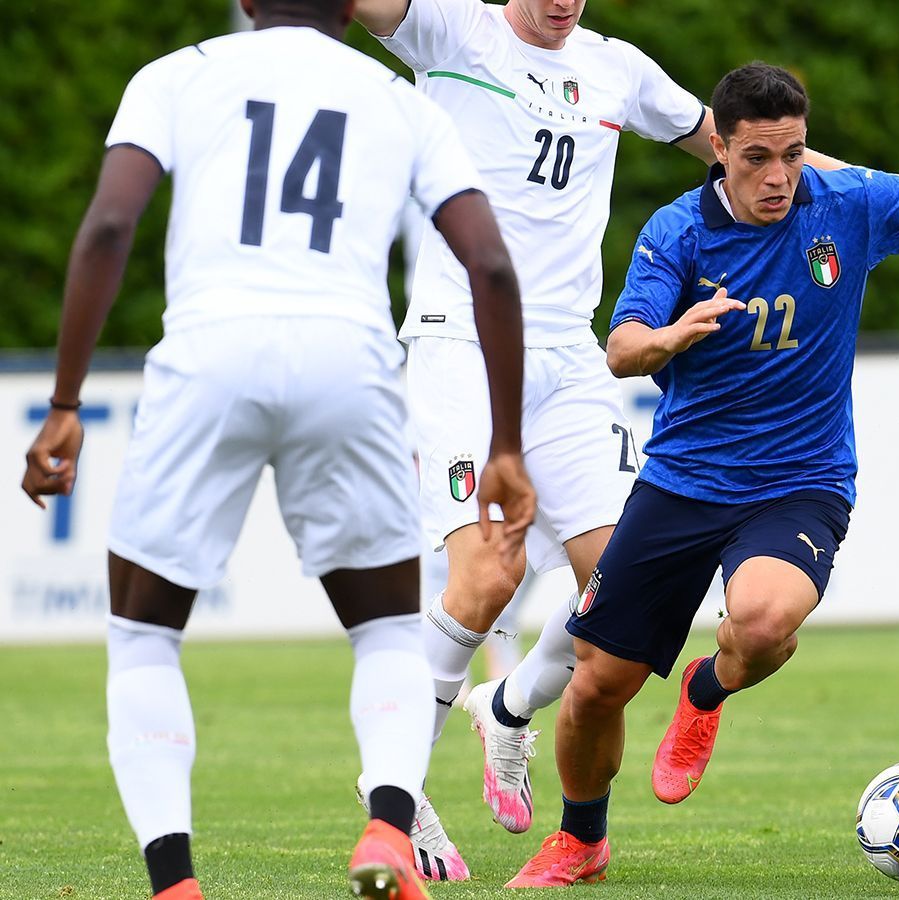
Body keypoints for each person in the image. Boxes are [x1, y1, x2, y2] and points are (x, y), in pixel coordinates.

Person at [501, 61, 899, 888]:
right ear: (719, 151)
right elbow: (622, 346)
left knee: (766, 622)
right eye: (756, 160)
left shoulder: (844, 203)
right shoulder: (678, 233)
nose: (778, 177)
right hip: (683, 481)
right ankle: (581, 840)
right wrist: (678, 334)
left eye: (793, 154)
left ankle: (707, 687)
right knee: (597, 687)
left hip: (801, 480)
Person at [17, 0, 535, 897]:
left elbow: (107, 228)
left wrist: (65, 402)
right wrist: (506, 442)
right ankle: (385, 824)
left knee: (144, 638)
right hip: (350, 362)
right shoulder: (404, 101)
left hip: (209, 356)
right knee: (380, 631)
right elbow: (489, 265)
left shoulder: (176, 74)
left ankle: (175, 883)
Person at [348, 0, 849, 876]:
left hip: (567, 359)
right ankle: (395, 792)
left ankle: (505, 710)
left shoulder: (618, 68)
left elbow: (752, 152)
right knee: (485, 573)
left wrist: (874, 200)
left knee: (614, 588)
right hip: (457, 339)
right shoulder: (451, 30)